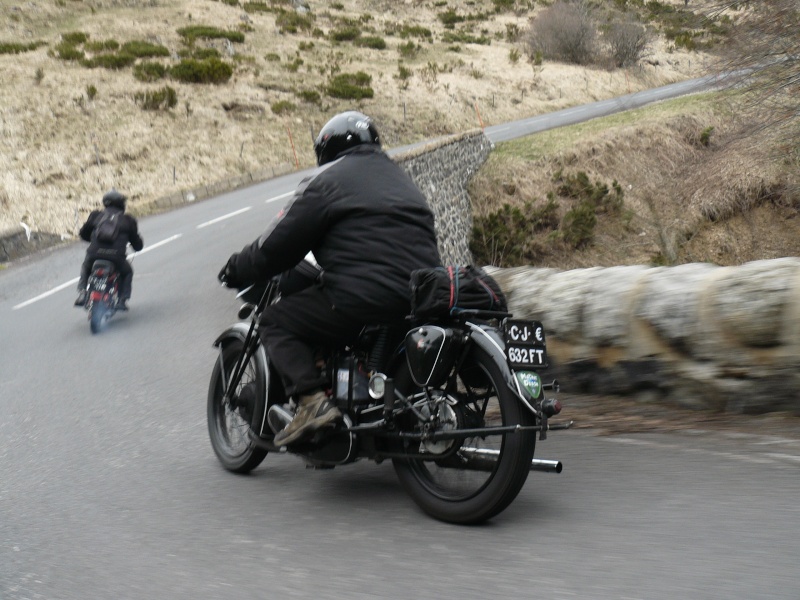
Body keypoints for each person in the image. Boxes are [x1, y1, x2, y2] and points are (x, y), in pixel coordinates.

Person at [218, 110, 442, 446]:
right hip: (422, 294)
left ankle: (312, 403)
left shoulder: (327, 181)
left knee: (276, 320)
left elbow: (277, 243)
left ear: (326, 150)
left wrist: (237, 268)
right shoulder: (402, 180)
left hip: (365, 295)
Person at [75, 189, 144, 310]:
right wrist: (136, 246)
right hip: (116, 257)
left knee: (86, 267)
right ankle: (122, 300)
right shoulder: (128, 220)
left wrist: (94, 240)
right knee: (127, 272)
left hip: (94, 254)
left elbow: (83, 234)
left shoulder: (95, 215)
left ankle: (82, 293)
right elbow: (137, 244)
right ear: (121, 204)